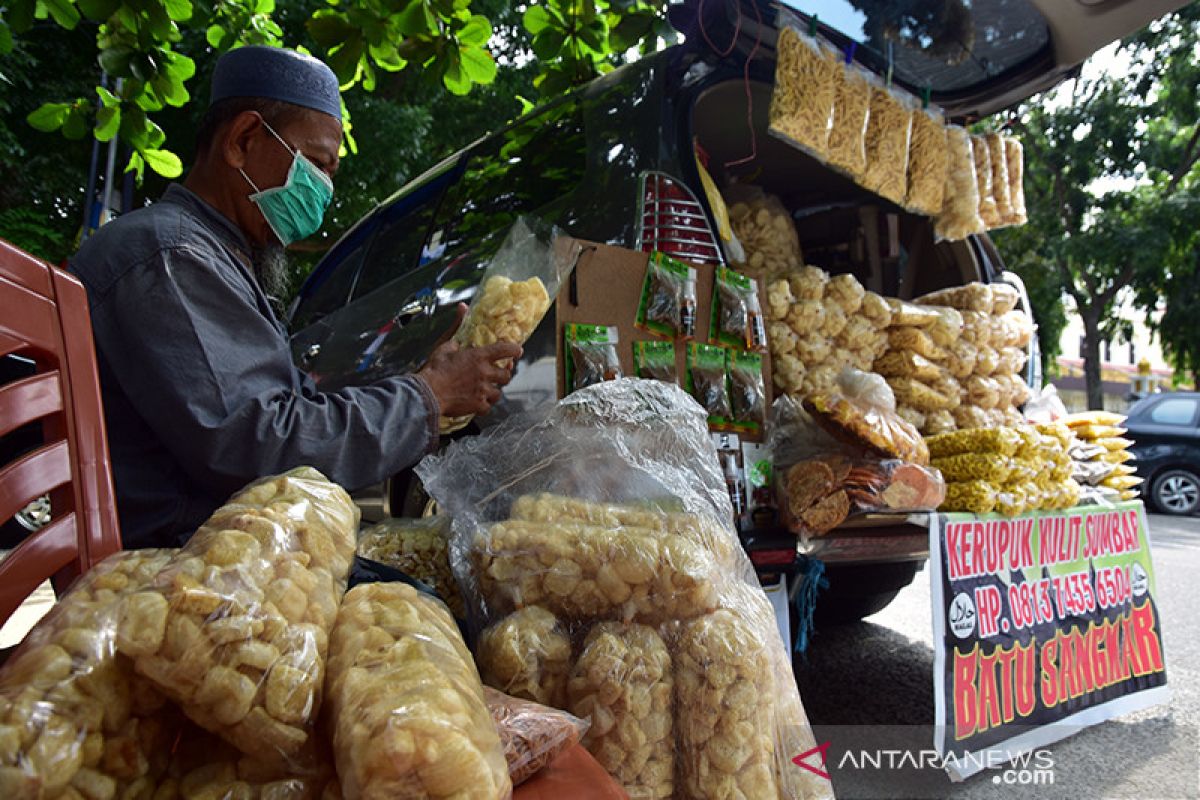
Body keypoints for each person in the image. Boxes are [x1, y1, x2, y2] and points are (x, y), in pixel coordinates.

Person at [69, 46, 520, 548]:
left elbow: (286, 412)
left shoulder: (212, 253)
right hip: (188, 561)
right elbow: (256, 446)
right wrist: (427, 398)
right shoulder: (172, 256)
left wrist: (423, 386)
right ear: (243, 140)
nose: (324, 189)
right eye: (317, 164)